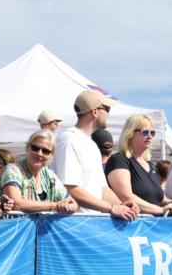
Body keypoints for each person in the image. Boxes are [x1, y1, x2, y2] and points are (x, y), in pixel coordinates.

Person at [54, 89, 137, 220]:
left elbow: (102, 189)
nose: (108, 114)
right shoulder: (69, 139)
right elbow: (70, 188)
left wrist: (123, 206)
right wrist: (111, 208)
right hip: (71, 222)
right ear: (94, 112)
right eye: (107, 109)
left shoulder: (91, 145)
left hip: (90, 221)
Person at [105, 114, 172, 216]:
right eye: (145, 132)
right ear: (130, 134)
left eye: (152, 133)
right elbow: (126, 198)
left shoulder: (151, 165)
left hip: (155, 223)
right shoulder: (119, 160)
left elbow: (159, 199)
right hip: (134, 224)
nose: (149, 136)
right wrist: (160, 210)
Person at [0, 130, 78, 214]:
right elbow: (16, 203)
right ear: (27, 148)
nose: (39, 153)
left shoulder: (50, 176)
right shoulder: (13, 170)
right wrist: (54, 205)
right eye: (35, 148)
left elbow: (71, 202)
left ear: (52, 155)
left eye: (45, 151)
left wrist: (71, 206)